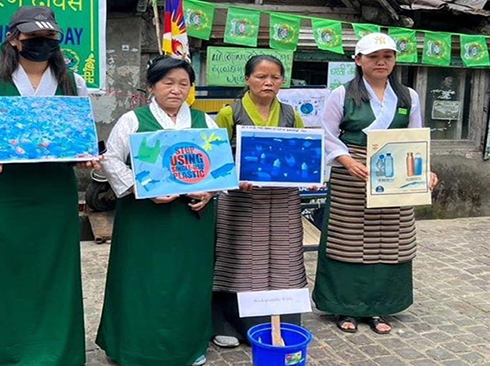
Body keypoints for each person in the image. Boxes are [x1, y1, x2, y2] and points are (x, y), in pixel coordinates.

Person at [0, 6, 89, 365]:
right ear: (13, 38)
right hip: (1, 196)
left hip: (54, 195)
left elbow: (80, 135)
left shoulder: (75, 84)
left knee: (53, 276)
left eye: (49, 37)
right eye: (33, 37)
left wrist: (87, 152)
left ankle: (54, 352)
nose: (42, 44)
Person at [313, 33, 439, 335]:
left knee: (389, 240)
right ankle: (344, 307)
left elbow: (414, 137)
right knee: (349, 241)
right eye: (373, 56)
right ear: (358, 60)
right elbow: (326, 134)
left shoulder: (409, 96)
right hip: (352, 175)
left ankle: (381, 308)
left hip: (395, 174)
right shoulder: (342, 94)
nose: (381, 62)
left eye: (388, 56)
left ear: (395, 60)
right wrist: (347, 161)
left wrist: (424, 172)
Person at [95, 56, 217, 366]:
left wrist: (210, 191)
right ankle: (132, 347)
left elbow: (218, 167)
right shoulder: (133, 120)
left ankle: (186, 347)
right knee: (141, 280)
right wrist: (142, 189)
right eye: (168, 83)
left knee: (188, 281)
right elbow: (110, 160)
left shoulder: (206, 123)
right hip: (145, 219)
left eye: (184, 84)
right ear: (152, 86)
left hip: (191, 219)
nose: (176, 90)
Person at [211, 55, 308, 348]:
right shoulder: (230, 113)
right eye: (261, 76)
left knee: (285, 258)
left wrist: (309, 175)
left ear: (282, 81)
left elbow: (303, 153)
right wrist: (233, 177)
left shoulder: (292, 114)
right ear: (247, 79)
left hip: (282, 200)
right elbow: (216, 157)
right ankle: (230, 324)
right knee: (238, 258)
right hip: (241, 199)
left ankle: (283, 324)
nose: (268, 82)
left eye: (275, 77)